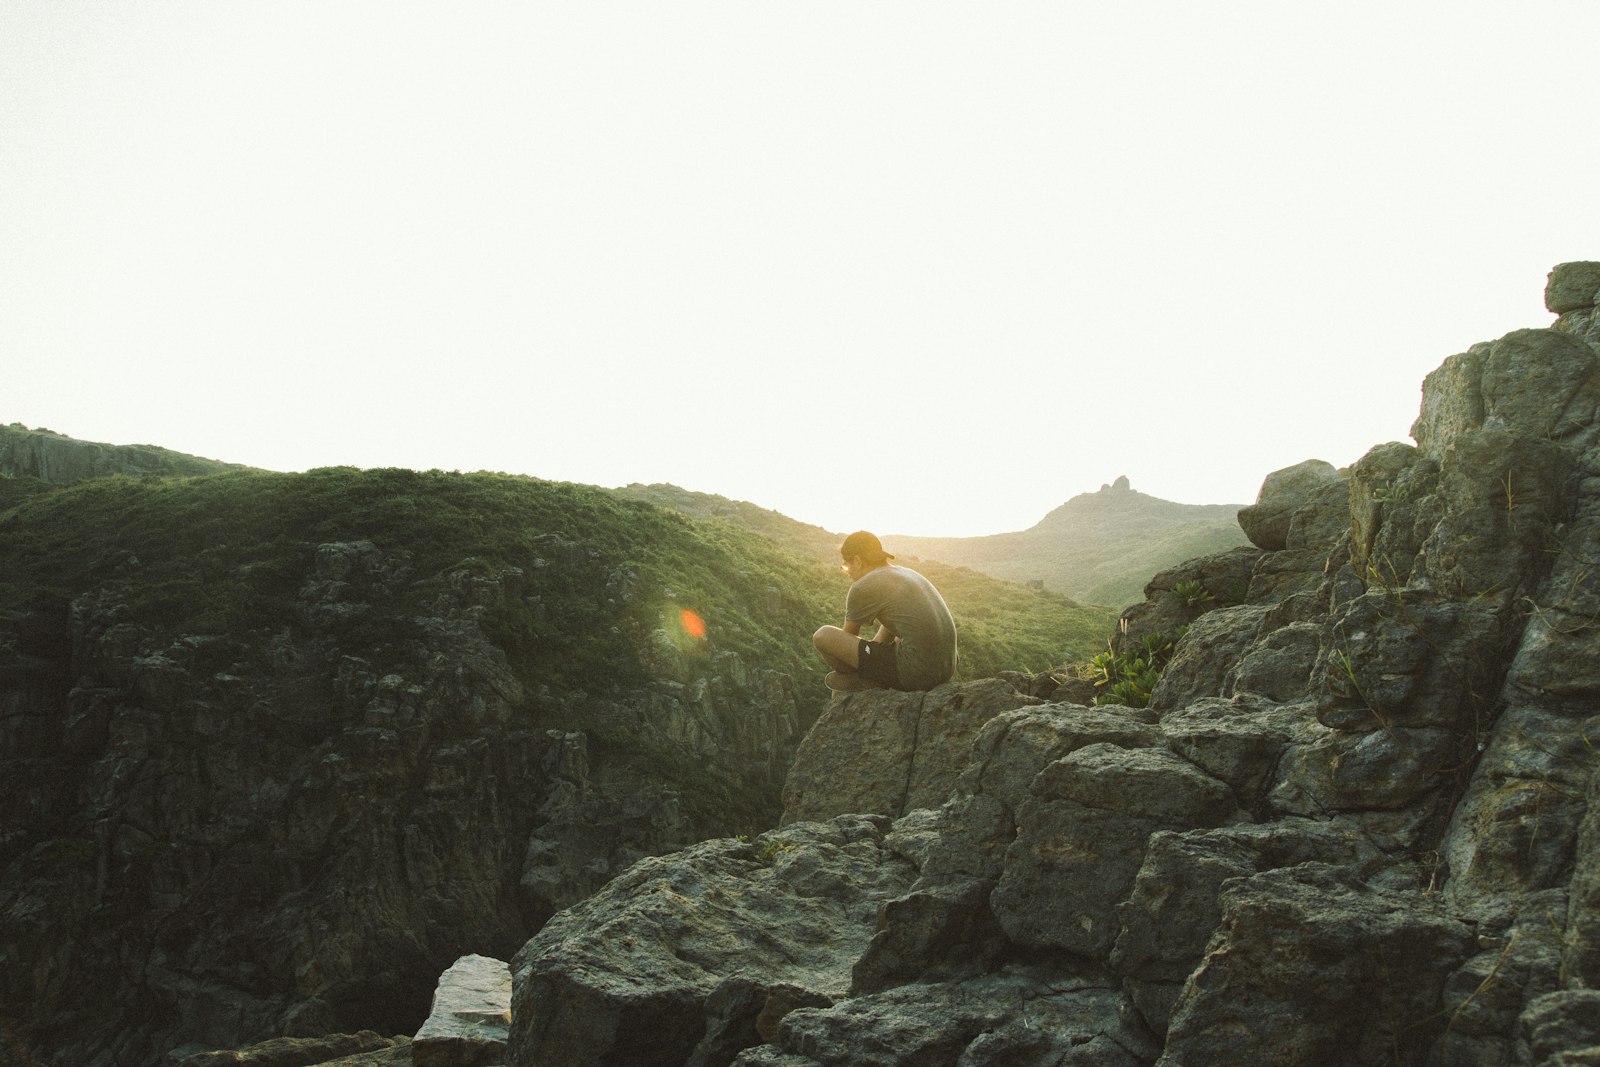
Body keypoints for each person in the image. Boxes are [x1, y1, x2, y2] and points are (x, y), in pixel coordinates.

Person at [812, 530, 957, 692]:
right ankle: (874, 678)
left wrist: (866, 663)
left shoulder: (862, 586)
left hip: (917, 673)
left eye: (846, 566)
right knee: (897, 634)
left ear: (858, 561)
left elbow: (845, 644)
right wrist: (872, 656)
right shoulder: (907, 573)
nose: (847, 572)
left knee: (823, 635)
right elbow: (887, 632)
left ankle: (869, 683)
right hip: (946, 668)